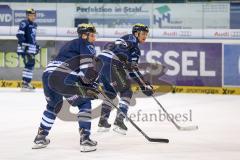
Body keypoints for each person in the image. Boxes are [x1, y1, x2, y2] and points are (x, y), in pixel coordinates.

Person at [32, 24, 99, 152]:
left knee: (53, 106)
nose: (94, 38)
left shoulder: (70, 44)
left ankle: (40, 137)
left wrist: (87, 82)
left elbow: (77, 71)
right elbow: (86, 70)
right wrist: (91, 83)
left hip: (48, 76)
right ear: (84, 35)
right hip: (64, 77)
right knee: (84, 101)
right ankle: (85, 139)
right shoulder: (86, 45)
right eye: (92, 35)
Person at [97, 24, 154, 135]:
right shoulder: (133, 44)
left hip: (100, 62)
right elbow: (132, 69)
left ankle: (103, 122)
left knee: (110, 93)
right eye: (143, 34)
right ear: (136, 33)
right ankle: (119, 121)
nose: (145, 36)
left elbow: (130, 67)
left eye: (146, 34)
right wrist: (143, 85)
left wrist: (143, 84)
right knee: (126, 91)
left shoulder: (126, 39)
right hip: (111, 62)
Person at [16, 8, 40, 91]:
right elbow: (19, 35)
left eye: (34, 15)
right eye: (30, 15)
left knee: (30, 65)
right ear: (27, 16)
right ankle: (25, 83)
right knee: (30, 64)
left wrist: (36, 46)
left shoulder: (34, 25)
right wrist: (24, 46)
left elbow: (32, 38)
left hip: (30, 48)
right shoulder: (24, 23)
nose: (32, 17)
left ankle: (25, 83)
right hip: (25, 49)